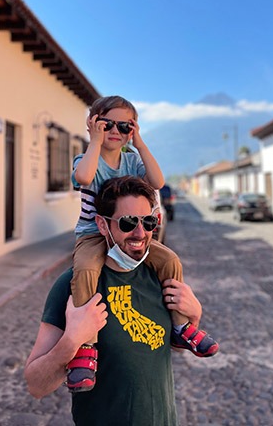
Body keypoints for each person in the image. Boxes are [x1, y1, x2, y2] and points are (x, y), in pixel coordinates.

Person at [25, 176, 208, 425]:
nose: (140, 232)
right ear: (102, 225)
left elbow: (166, 345)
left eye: (148, 221)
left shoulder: (160, 277)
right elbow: (36, 385)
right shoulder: (72, 286)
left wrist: (194, 316)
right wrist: (72, 341)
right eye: (128, 222)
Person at [66, 96, 218, 393]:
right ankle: (85, 346)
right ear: (93, 123)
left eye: (125, 125)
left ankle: (180, 326)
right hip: (93, 234)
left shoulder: (132, 160)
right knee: (85, 269)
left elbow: (158, 181)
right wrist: (94, 140)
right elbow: (83, 176)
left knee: (170, 260)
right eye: (107, 123)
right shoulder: (87, 159)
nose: (115, 130)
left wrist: (140, 142)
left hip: (130, 233)